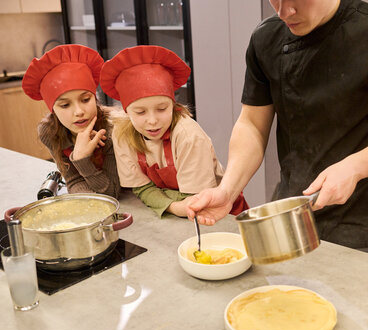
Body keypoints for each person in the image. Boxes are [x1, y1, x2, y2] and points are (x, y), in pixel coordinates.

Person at [187, 0, 368, 252]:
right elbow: (251, 124)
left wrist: (353, 168)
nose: (284, 12)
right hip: (292, 208)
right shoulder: (265, 38)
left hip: (361, 217)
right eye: (275, 0)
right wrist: (228, 189)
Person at [100, 45, 248, 218]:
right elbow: (141, 188)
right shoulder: (122, 135)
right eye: (140, 112)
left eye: (162, 109)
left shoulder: (188, 135)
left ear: (173, 105)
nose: (153, 120)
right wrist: (174, 206)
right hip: (177, 215)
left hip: (224, 214)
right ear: (126, 111)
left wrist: (160, 197)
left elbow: (194, 201)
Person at [21, 44, 120, 198]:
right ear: (53, 109)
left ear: (95, 98)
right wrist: (86, 202)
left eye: (86, 99)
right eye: (65, 105)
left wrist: (81, 159)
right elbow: (73, 181)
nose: (79, 111)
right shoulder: (49, 133)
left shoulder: (112, 129)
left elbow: (111, 192)